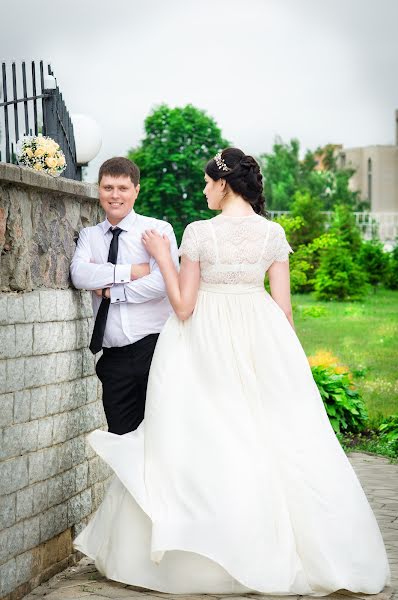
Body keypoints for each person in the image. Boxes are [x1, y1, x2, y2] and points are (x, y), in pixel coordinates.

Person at [74, 148, 390, 595]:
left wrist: (164, 257)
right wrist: (281, 363)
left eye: (207, 183)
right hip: (262, 342)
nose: (203, 190)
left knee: (214, 440)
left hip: (205, 346)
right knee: (269, 438)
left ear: (224, 185)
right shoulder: (272, 233)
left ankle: (214, 550)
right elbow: (283, 312)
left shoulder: (199, 232)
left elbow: (183, 307)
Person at [70, 157, 178, 435]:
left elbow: (162, 284)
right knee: (121, 440)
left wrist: (111, 291)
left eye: (122, 188)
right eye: (108, 187)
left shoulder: (158, 231)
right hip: (113, 358)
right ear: (98, 189)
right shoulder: (89, 235)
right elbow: (80, 275)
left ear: (136, 190)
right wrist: (131, 270)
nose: (115, 195)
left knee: (162, 436)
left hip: (153, 349)